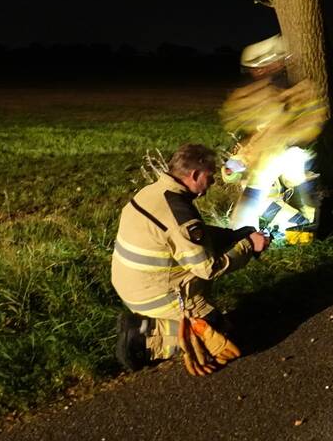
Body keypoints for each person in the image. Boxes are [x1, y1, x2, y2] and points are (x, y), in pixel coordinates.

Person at [113, 143, 271, 376]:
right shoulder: (180, 213)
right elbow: (208, 268)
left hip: (131, 284)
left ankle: (159, 322)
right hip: (156, 296)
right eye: (210, 176)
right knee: (222, 338)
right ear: (195, 175)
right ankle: (145, 337)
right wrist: (249, 246)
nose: (213, 183)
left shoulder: (153, 193)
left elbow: (188, 238)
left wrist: (234, 235)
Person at [220, 34, 327, 233]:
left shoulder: (297, 93)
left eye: (258, 67)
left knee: (258, 189)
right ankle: (297, 224)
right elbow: (251, 136)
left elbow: (307, 127)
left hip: (289, 158)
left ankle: (300, 225)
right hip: (272, 160)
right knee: (257, 189)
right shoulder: (256, 94)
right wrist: (233, 165)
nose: (257, 72)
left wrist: (254, 154)